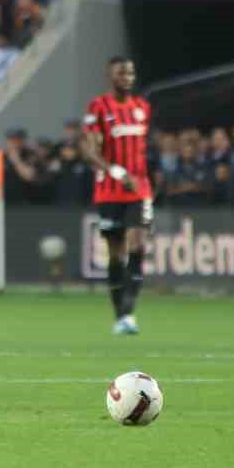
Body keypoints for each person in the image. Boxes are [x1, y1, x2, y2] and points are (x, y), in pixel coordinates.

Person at [79, 56, 152, 336]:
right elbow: (89, 151)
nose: (127, 77)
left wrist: (135, 176)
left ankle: (129, 313)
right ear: (111, 76)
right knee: (115, 254)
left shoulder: (142, 108)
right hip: (110, 190)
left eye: (131, 72)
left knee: (137, 245)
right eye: (121, 72)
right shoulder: (98, 107)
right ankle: (119, 314)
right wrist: (117, 172)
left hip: (139, 189)